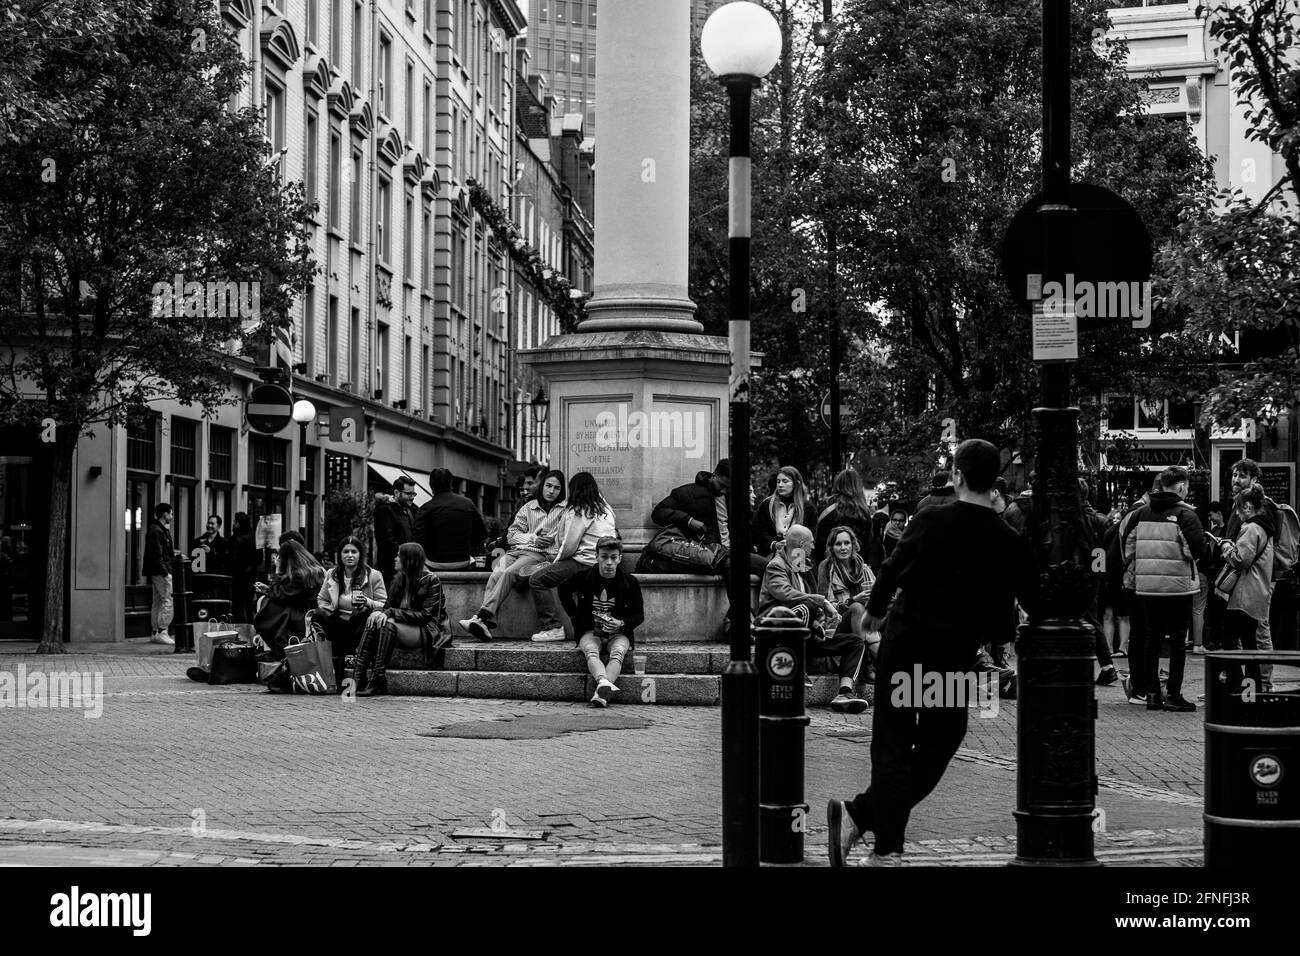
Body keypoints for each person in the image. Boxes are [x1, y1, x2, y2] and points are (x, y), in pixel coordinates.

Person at [826, 439, 1037, 867]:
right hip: (952, 658)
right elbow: (1003, 618)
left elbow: (892, 567)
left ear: (957, 476)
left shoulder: (931, 519)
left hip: (905, 648)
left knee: (893, 746)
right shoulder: (1007, 539)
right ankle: (875, 836)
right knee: (941, 742)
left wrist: (873, 615)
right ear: (994, 480)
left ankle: (871, 826)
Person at [1121, 466, 1211, 713]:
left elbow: (1127, 549)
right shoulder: (1186, 515)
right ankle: (1173, 694)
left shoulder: (1140, 514)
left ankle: (1151, 694)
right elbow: (1197, 550)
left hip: (1148, 587)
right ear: (1181, 487)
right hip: (1178, 587)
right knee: (1178, 641)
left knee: (1152, 637)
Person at [758, 524, 868, 714]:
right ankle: (797, 666)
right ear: (801, 544)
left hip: (809, 635)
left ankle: (844, 692)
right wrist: (822, 601)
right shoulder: (776, 565)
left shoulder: (801, 563)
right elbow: (785, 593)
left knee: (856, 642)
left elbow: (808, 600)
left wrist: (821, 623)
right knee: (806, 606)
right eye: (811, 543)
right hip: (780, 632)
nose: (814, 547)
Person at [459, 469, 566, 641]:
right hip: (515, 551)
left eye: (557, 488)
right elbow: (511, 534)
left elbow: (564, 538)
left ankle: (481, 617)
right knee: (496, 575)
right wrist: (533, 538)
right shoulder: (528, 508)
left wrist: (544, 544)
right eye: (548, 486)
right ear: (542, 486)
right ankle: (483, 622)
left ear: (562, 491)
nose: (552, 491)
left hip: (539, 556)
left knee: (509, 573)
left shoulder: (565, 510)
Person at [351, 542, 450, 696]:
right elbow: (388, 609)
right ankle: (357, 677)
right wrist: (378, 613)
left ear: (409, 559)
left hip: (427, 631)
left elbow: (425, 616)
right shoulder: (399, 580)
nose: (395, 558)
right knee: (374, 621)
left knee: (387, 623)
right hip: (401, 628)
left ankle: (378, 678)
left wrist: (389, 613)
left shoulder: (432, 580)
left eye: (398, 555)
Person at [528, 472, 617, 642]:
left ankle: (553, 627)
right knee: (566, 588)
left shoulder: (581, 510)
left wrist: (553, 562)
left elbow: (569, 546)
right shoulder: (606, 509)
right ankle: (580, 625)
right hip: (602, 563)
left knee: (537, 580)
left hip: (584, 562)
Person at [559, 536, 645, 708]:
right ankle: (603, 683)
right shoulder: (583, 577)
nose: (609, 562)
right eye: (604, 556)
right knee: (591, 650)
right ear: (596, 556)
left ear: (620, 558)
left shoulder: (630, 582)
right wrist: (574, 616)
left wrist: (621, 623)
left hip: (618, 632)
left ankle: (602, 691)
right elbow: (563, 589)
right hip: (590, 631)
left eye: (613, 557)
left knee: (618, 652)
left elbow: (639, 615)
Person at [1223, 460, 1278, 690]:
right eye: (1234, 475)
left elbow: (1243, 555)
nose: (1236, 480)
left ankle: (1259, 685)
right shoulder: (1247, 508)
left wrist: (1227, 548)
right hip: (1250, 582)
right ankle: (1249, 686)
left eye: (1242, 476)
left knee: (1256, 635)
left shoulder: (1258, 513)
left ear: (1254, 480)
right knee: (1247, 638)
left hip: (1253, 583)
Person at [314, 536, 387, 677]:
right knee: (318, 614)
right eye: (345, 552)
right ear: (339, 555)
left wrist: (367, 601)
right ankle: (342, 657)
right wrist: (331, 612)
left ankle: (344, 657)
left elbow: (384, 605)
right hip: (337, 622)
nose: (350, 555)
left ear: (360, 555)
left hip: (359, 623)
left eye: (354, 552)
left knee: (363, 611)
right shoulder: (331, 574)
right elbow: (321, 599)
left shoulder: (374, 575)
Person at [816, 526, 880, 682]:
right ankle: (869, 663)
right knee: (857, 608)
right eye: (838, 544)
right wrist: (852, 600)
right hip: (838, 625)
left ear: (853, 545)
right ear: (832, 547)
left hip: (866, 624)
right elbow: (825, 608)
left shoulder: (864, 568)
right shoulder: (826, 569)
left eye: (846, 543)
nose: (843, 548)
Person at [252, 540, 326, 660]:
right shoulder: (314, 570)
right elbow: (288, 594)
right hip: (313, 615)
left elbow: (282, 595)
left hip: (302, 619)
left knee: (266, 603)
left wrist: (277, 570)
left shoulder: (299, 575)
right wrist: (268, 590)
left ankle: (274, 651)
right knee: (267, 601)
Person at [413, 468, 488, 570]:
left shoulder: (426, 508)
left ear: (431, 485)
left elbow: (418, 540)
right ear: (450, 483)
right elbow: (482, 533)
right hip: (462, 562)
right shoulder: (468, 504)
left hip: (434, 563)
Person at [814, 468, 877, 565]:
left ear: (838, 484)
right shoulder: (863, 512)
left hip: (828, 565)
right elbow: (868, 545)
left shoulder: (826, 507)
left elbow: (818, 539)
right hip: (856, 567)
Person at [753, 466, 816, 557]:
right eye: (778, 481)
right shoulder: (767, 504)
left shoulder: (808, 507)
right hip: (770, 554)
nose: (780, 485)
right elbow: (760, 531)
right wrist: (775, 544)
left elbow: (811, 535)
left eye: (785, 481)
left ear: (796, 483)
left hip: (798, 555)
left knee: (799, 568)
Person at [142, 503, 178, 645]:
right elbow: (157, 554)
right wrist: (166, 572)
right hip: (162, 571)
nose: (172, 516)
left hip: (157, 570)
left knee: (157, 601)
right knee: (168, 600)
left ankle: (155, 632)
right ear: (165, 514)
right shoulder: (158, 531)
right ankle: (163, 631)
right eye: (171, 513)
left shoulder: (157, 529)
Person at [373, 475, 418, 587]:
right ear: (397, 493)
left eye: (413, 494)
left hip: (405, 568)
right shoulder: (384, 509)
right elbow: (386, 542)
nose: (412, 497)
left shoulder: (408, 510)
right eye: (408, 494)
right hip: (390, 571)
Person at [230, 512, 259, 624]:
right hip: (250, 577)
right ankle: (250, 629)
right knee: (248, 606)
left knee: (238, 606)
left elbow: (232, 559)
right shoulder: (254, 539)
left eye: (234, 522)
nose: (233, 524)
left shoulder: (236, 540)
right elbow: (259, 559)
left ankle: (240, 631)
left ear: (238, 524)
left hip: (238, 577)